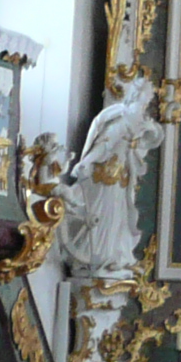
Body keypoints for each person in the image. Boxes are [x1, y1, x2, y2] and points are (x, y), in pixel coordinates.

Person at [60, 73, 164, 278]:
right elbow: (104, 145)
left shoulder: (139, 120)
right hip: (104, 178)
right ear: (138, 95)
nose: (149, 99)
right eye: (147, 95)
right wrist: (86, 163)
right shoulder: (122, 119)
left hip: (120, 178)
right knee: (103, 218)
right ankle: (98, 258)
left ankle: (113, 258)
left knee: (117, 220)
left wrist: (146, 135)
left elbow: (150, 141)